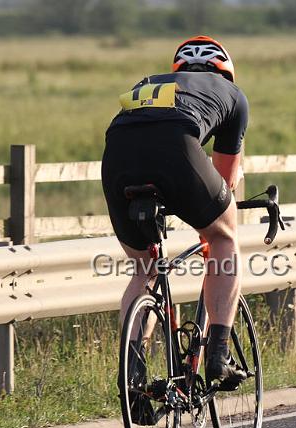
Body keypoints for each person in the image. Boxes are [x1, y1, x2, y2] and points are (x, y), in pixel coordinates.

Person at [102, 36, 248, 384]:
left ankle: (132, 375)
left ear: (177, 70)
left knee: (144, 268)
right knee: (225, 237)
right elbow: (225, 180)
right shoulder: (234, 95)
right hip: (176, 146)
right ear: (224, 71)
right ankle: (218, 354)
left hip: (117, 153)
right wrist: (208, 230)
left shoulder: (150, 84)